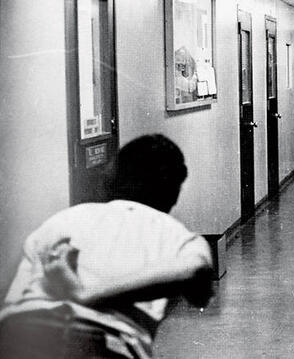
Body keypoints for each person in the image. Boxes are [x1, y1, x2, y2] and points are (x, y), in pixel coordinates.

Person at [0, 134, 214, 358]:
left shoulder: (62, 220)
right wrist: (86, 295)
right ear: (173, 193)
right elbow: (197, 276)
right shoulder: (176, 234)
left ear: (113, 179)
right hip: (99, 343)